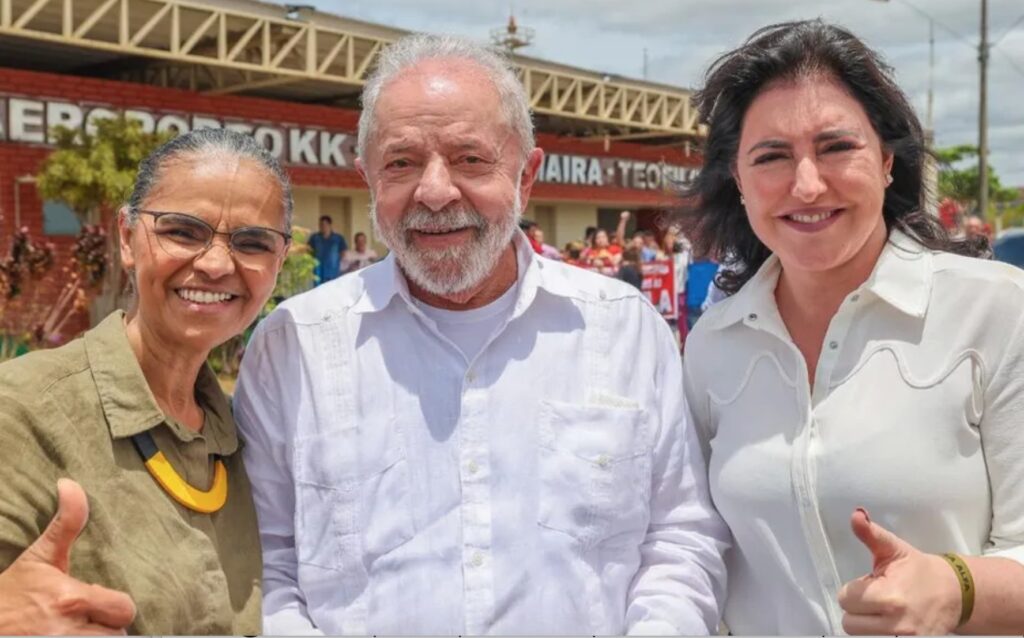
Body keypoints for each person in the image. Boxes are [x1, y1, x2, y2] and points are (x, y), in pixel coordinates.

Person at [235, 33, 728, 636]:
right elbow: (266, 566)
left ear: (526, 176)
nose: (435, 191)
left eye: (470, 159)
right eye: (402, 163)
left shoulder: (623, 330)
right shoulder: (294, 347)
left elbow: (678, 537)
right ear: (368, 178)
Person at [679, 20, 1024, 635]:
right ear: (737, 178)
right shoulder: (714, 341)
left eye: (837, 147)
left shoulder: (997, 311)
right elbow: (701, 550)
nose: (807, 184)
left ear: (888, 162)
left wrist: (957, 587)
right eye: (771, 156)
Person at [0, 128, 292, 634]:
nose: (218, 264)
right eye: (182, 231)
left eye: (252, 243)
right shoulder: (23, 408)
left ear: (279, 262)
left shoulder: (248, 437)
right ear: (126, 237)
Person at [308, 215, 347, 284]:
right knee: (318, 291)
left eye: (324, 224)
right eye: (321, 224)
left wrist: (334, 261)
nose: (322, 226)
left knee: (332, 290)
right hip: (318, 270)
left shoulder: (338, 238)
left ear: (330, 225)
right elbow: (308, 250)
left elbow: (343, 252)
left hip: (333, 271)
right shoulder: (314, 238)